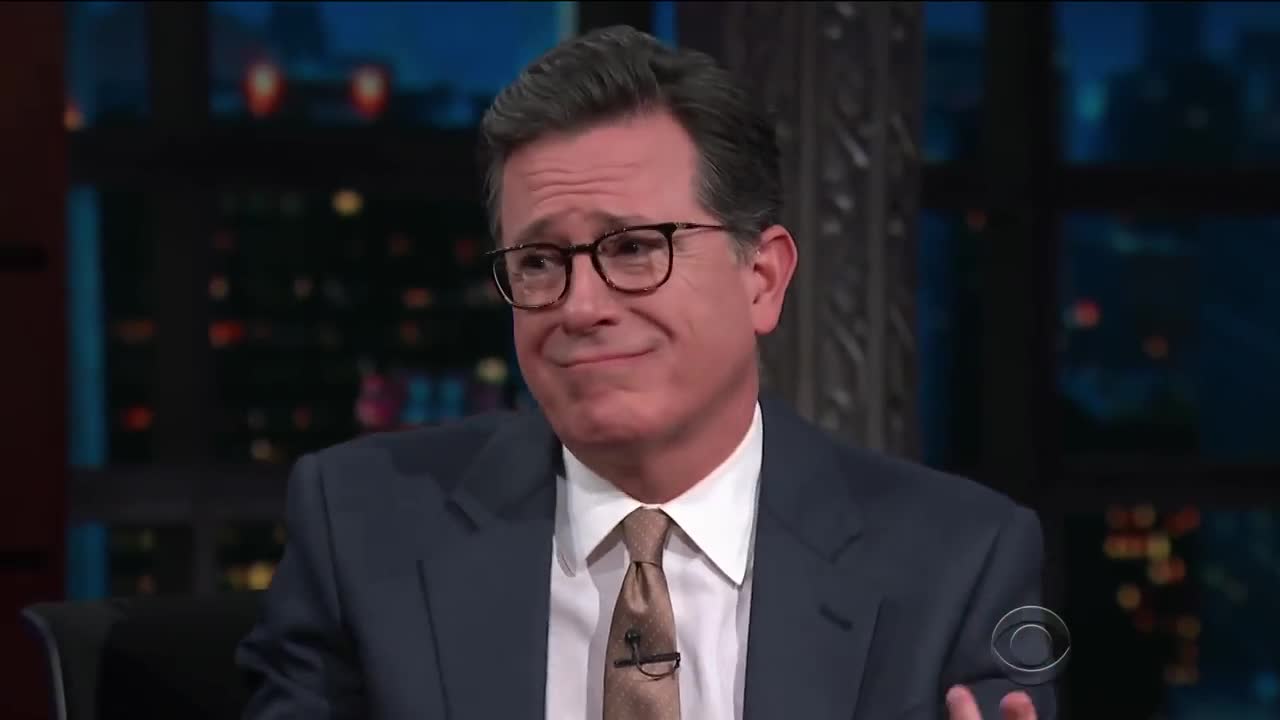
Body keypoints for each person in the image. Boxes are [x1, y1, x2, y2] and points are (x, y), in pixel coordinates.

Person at [236, 25, 1058, 720]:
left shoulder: (959, 565)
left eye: (634, 248)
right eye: (539, 261)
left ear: (762, 279)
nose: (580, 305)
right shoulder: (361, 531)